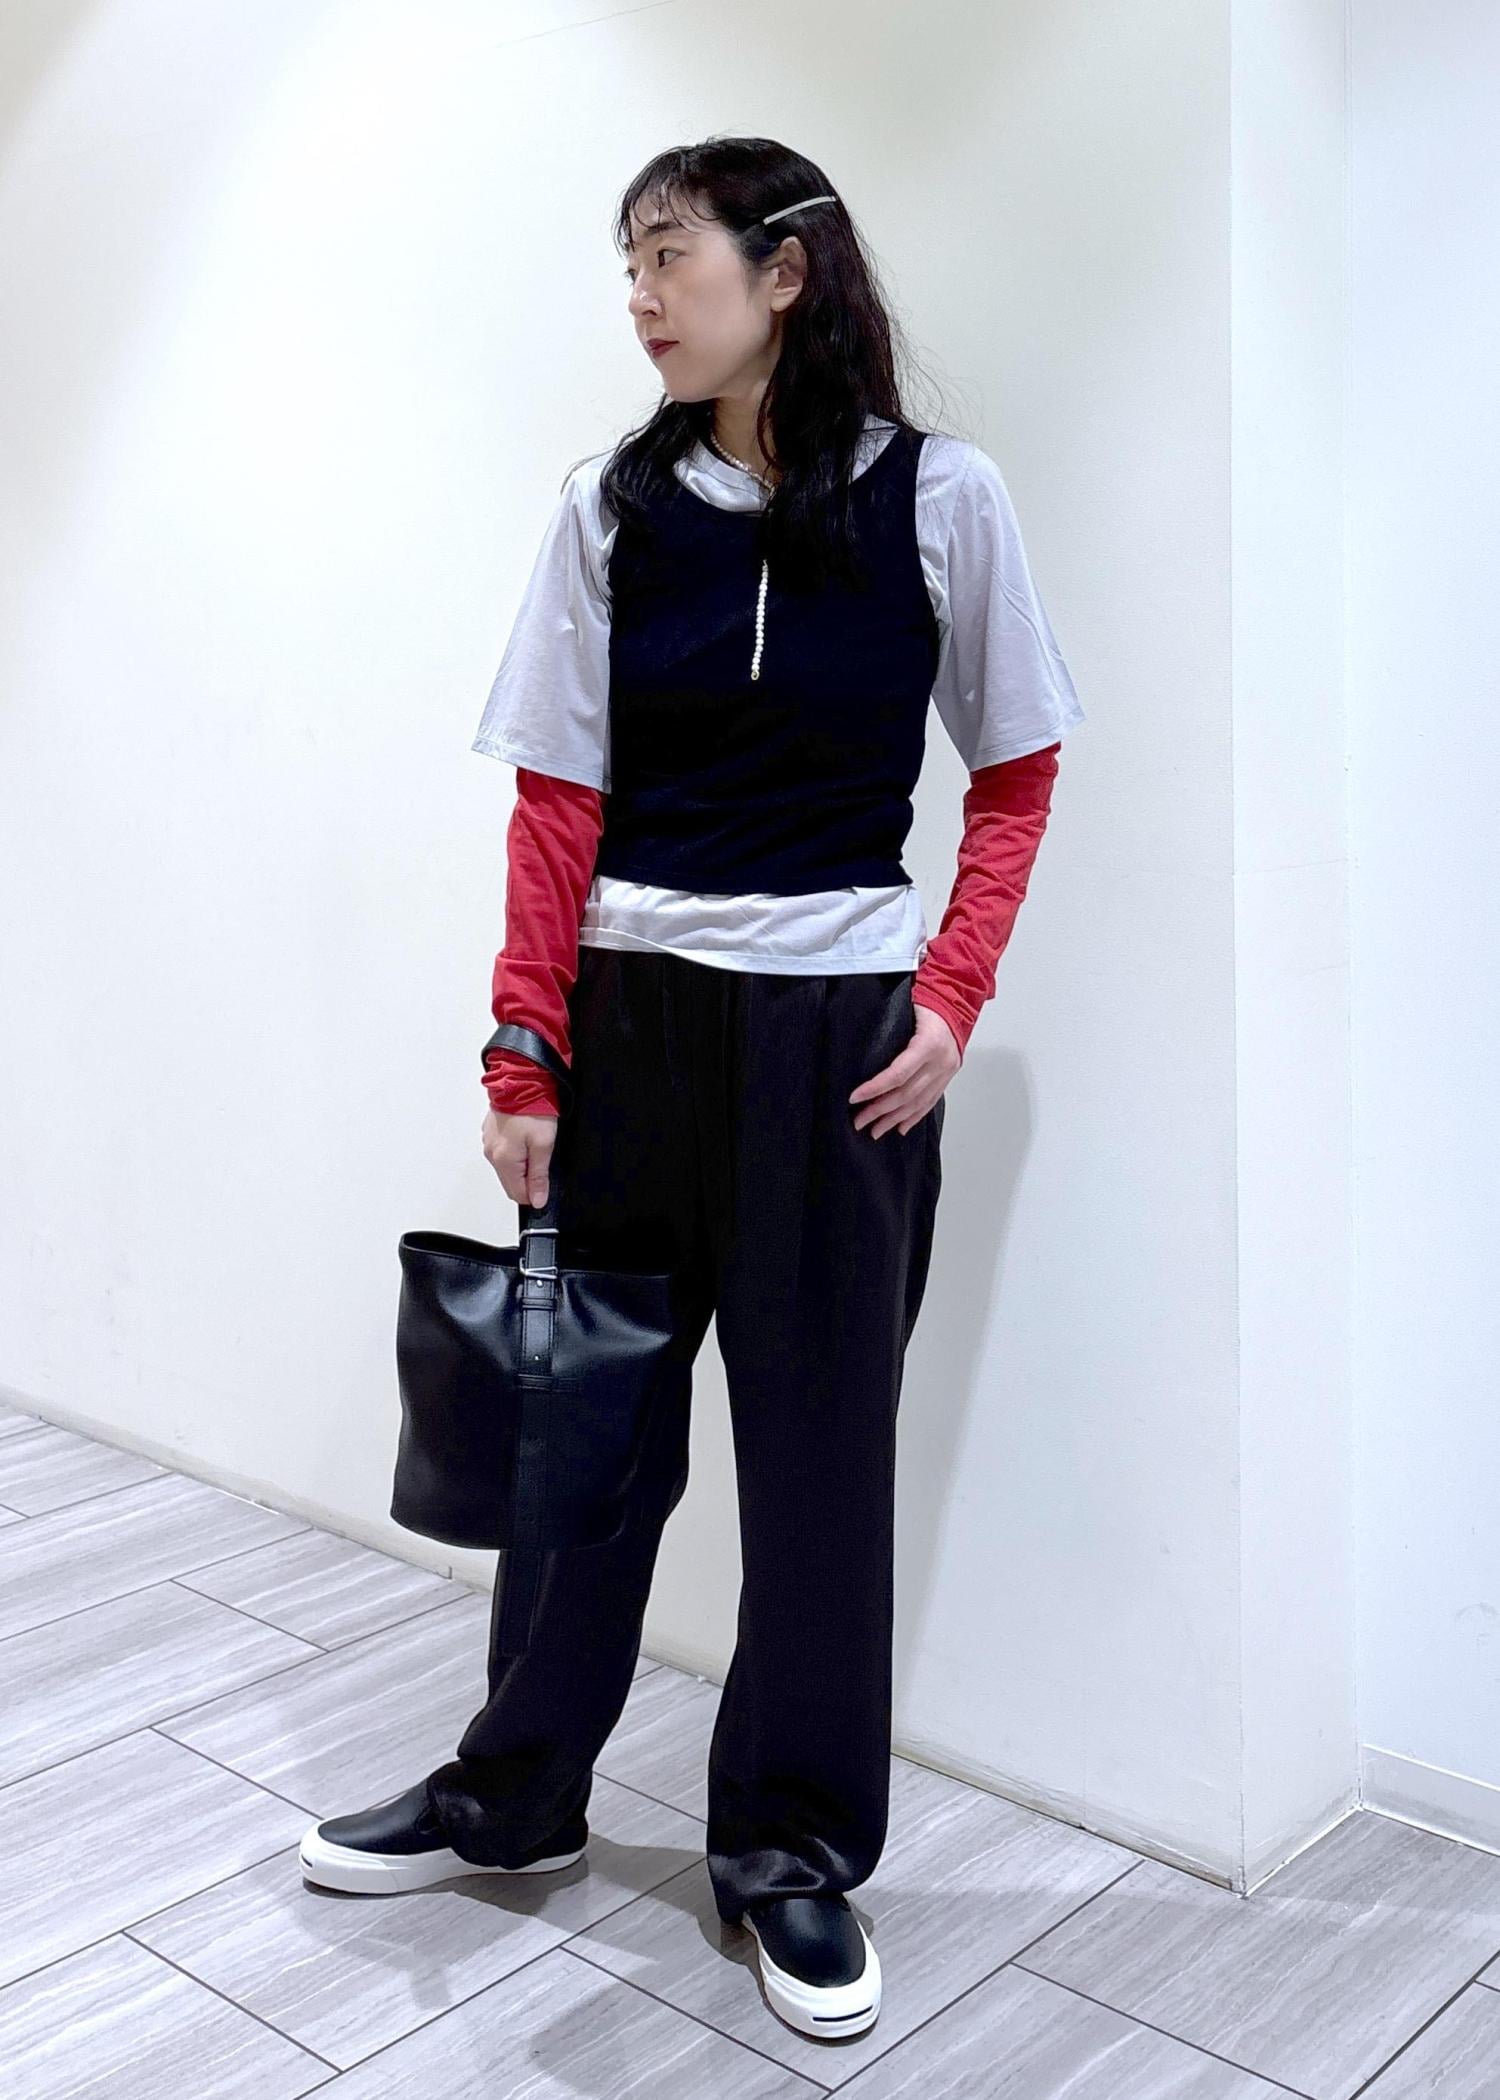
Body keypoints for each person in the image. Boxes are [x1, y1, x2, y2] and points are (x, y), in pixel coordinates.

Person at [300, 136, 1084, 2044]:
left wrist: (952, 996)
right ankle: (515, 1792)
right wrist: (524, 1040)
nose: (641, 297)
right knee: (581, 1442)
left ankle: (791, 1852)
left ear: (784, 272)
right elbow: (555, 799)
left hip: (840, 1053)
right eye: (629, 265)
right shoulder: (610, 509)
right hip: (632, 1027)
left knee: (819, 1462)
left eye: (670, 257)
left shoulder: (942, 499)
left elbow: (1016, 768)